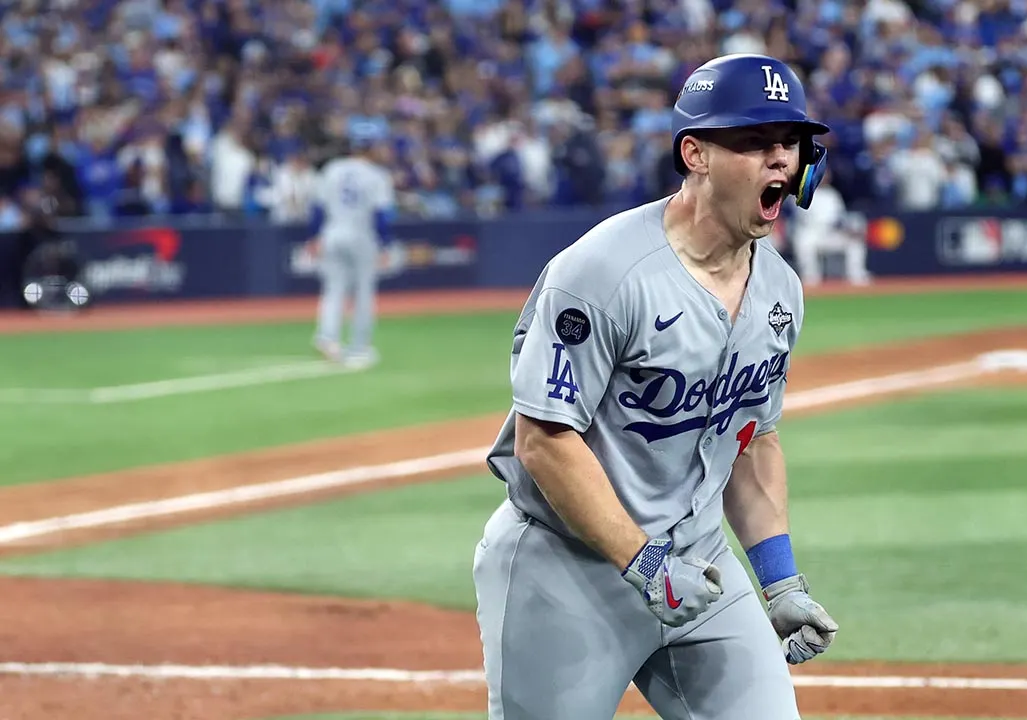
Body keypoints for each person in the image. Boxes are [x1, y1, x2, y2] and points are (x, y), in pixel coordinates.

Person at [473, 53, 840, 720]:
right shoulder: (603, 273)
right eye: (753, 142)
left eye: (789, 142)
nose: (779, 159)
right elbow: (544, 441)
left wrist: (780, 579)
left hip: (701, 567)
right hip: (567, 569)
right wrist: (643, 563)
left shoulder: (779, 288)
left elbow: (751, 439)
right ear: (695, 155)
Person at [306, 128, 395, 368]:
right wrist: (385, 244)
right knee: (363, 294)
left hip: (332, 233)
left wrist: (313, 237)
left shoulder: (332, 169)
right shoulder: (377, 175)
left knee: (333, 289)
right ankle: (359, 346)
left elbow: (317, 209)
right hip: (361, 236)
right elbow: (381, 216)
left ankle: (327, 338)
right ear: (370, 148)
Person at [788, 167, 872, 287]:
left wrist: (847, 229)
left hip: (830, 233)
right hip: (811, 233)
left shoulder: (833, 194)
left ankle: (856, 276)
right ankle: (811, 278)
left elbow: (840, 218)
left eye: (826, 176)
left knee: (854, 242)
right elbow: (799, 218)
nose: (824, 178)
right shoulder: (803, 192)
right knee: (803, 241)